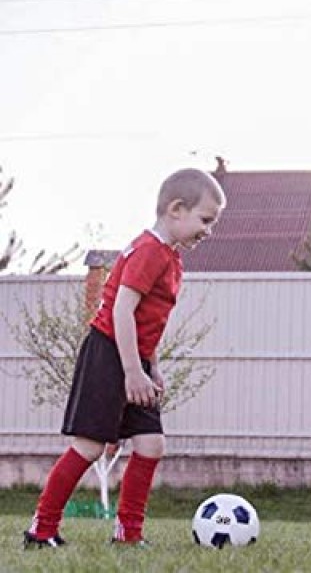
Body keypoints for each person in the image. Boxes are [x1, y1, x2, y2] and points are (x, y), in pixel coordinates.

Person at [23, 168, 226, 549]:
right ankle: (41, 530)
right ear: (176, 209)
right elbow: (121, 311)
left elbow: (149, 320)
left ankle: (128, 535)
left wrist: (153, 366)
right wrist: (132, 370)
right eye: (205, 220)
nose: (208, 230)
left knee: (151, 444)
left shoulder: (170, 256)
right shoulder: (149, 251)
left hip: (136, 359)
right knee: (90, 446)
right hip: (108, 353)